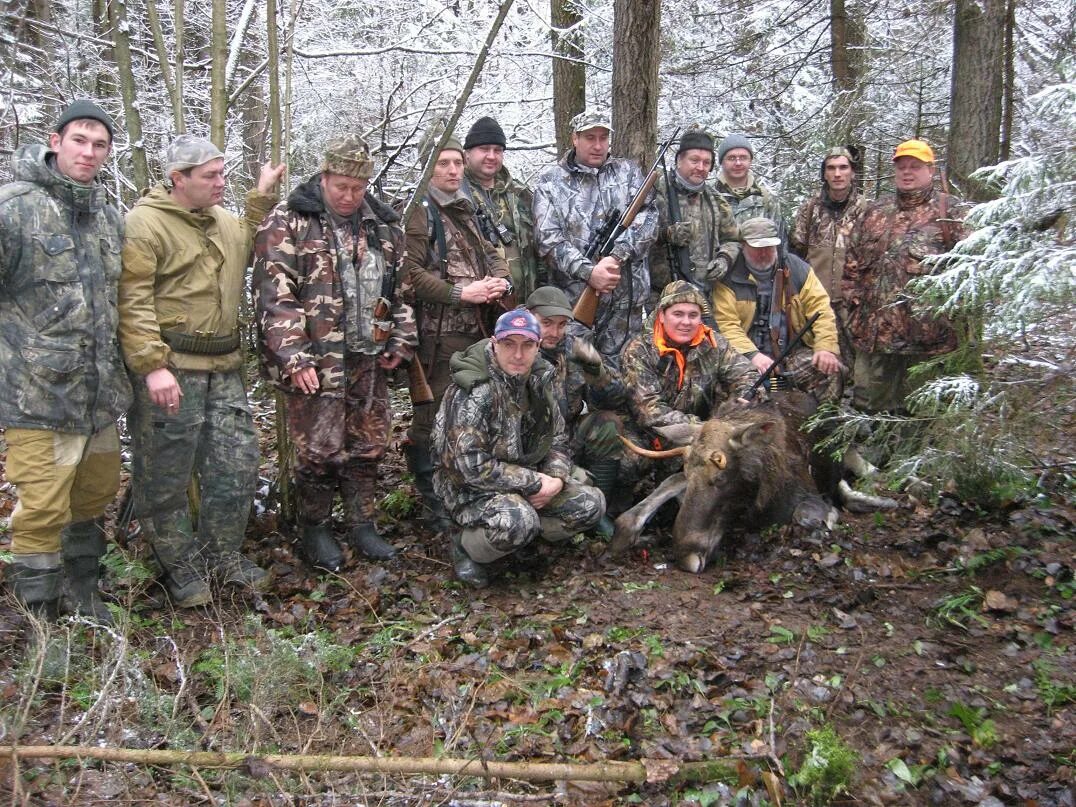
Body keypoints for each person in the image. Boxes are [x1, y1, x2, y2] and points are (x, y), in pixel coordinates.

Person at [119, 135, 284, 607]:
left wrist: (262, 193)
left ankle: (220, 554)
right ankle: (179, 565)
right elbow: (132, 301)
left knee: (237, 465)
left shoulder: (224, 222)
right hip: (172, 369)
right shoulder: (144, 225)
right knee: (165, 473)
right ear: (178, 179)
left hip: (224, 367)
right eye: (210, 176)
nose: (219, 183)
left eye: (222, 174)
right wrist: (152, 365)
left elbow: (249, 238)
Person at [253, 136, 418, 571]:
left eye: (357, 187)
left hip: (369, 357)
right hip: (317, 358)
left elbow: (402, 290)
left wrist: (400, 339)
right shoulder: (289, 220)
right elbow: (275, 296)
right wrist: (295, 356)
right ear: (323, 178)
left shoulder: (385, 226)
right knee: (319, 451)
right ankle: (316, 528)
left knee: (368, 446)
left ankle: (363, 525)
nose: (348, 196)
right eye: (341, 186)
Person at [0, 101, 133, 621]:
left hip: (98, 397)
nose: (89, 152)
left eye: (99, 144)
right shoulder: (14, 209)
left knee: (93, 497)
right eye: (79, 140)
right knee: (41, 508)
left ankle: (84, 595)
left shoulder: (106, 217)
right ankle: (39, 616)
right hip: (36, 397)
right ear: (55, 141)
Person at [431, 308, 605, 588]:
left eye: (527, 345)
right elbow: (468, 467)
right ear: (493, 343)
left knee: (591, 504)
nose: (518, 354)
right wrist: (535, 483)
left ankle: (525, 539)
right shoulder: (474, 390)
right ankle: (464, 545)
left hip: (524, 477)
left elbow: (557, 438)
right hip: (469, 488)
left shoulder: (539, 380)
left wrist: (556, 479)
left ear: (538, 346)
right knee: (518, 523)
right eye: (509, 344)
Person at [403, 136, 512, 534]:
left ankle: (462, 490)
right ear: (427, 168)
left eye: (455, 163)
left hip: (476, 334)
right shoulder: (418, 213)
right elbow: (409, 274)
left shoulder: (466, 208)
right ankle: (431, 502)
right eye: (442, 164)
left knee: (469, 417)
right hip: (437, 339)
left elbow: (492, 249)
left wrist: (500, 280)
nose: (452, 171)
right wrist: (459, 293)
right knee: (431, 418)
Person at [842, 139, 968, 414]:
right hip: (874, 336)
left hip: (925, 339)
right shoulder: (875, 212)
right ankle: (873, 457)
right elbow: (851, 262)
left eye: (915, 166)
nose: (907, 172)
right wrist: (853, 301)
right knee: (868, 409)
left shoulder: (952, 213)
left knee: (918, 413)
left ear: (931, 170)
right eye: (902, 167)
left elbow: (969, 272)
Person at [532, 108, 658, 367]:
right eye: (590, 137)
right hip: (574, 304)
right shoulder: (550, 182)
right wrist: (590, 273)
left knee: (623, 380)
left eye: (603, 137)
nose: (598, 145)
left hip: (626, 307)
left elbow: (650, 219)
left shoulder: (629, 173)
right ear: (575, 139)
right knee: (574, 376)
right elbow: (548, 240)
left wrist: (617, 255)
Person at [524, 286, 640, 525]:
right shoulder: (515, 349)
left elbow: (616, 399)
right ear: (528, 316)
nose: (554, 332)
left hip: (564, 437)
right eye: (546, 323)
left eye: (561, 324)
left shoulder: (572, 347)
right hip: (527, 446)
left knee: (607, 423)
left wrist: (597, 373)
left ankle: (600, 513)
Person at [711, 217, 843, 404]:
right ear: (743, 245)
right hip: (745, 357)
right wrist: (753, 355)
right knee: (739, 397)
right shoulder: (728, 278)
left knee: (829, 371)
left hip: (789, 354)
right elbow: (726, 325)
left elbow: (821, 309)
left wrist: (825, 347)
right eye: (757, 248)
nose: (764, 253)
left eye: (769, 247)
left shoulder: (797, 269)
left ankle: (821, 427)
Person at [621, 281, 759, 444]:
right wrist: (710, 429)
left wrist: (744, 398)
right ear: (662, 316)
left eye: (693, 315)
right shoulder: (639, 351)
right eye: (678, 314)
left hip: (704, 438)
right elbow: (651, 413)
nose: (686, 322)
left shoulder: (714, 343)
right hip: (650, 438)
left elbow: (747, 376)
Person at [789, 146, 868, 366]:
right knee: (819, 361)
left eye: (843, 167)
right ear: (824, 173)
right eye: (831, 168)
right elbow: (795, 252)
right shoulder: (810, 209)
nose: (837, 174)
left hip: (852, 302)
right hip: (815, 300)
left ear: (853, 172)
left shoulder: (867, 210)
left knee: (856, 363)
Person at [649, 128, 740, 306]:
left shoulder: (716, 200)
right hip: (660, 296)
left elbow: (733, 239)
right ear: (679, 160)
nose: (700, 167)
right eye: (694, 160)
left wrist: (724, 259)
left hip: (704, 296)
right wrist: (665, 235)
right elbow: (635, 236)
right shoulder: (655, 193)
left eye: (706, 163)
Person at [461, 116, 542, 300]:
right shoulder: (457, 195)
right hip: (479, 306)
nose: (491, 156)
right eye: (484, 149)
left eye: (497, 150)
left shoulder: (521, 194)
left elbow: (540, 247)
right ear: (467, 154)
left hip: (526, 303)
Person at [712, 133, 786, 233]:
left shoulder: (766, 199)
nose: (738, 163)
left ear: (750, 160)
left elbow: (781, 243)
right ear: (721, 162)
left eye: (743, 157)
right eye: (731, 158)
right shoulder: (708, 197)